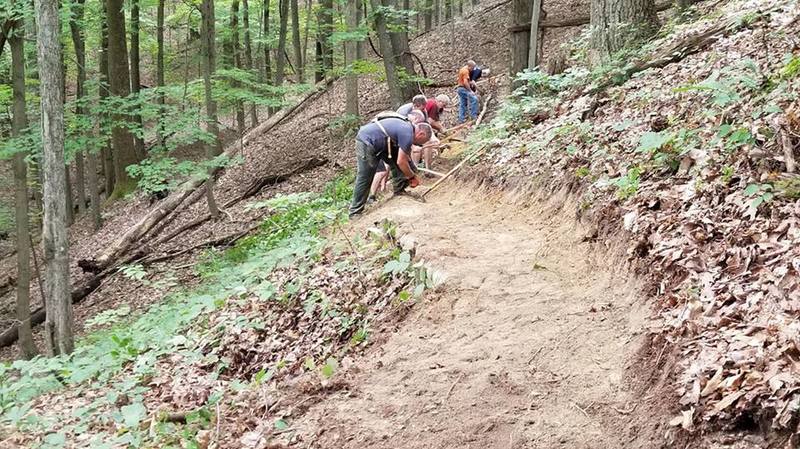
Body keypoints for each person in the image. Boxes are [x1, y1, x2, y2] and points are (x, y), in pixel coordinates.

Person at [349, 115, 433, 217]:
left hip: (383, 142)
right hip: (367, 141)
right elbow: (401, 162)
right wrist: (411, 177)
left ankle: (399, 189)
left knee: (406, 164)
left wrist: (412, 171)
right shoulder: (407, 133)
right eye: (421, 142)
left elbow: (405, 158)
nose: (419, 144)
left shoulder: (407, 127)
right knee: (365, 175)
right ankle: (355, 212)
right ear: (421, 134)